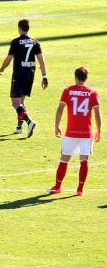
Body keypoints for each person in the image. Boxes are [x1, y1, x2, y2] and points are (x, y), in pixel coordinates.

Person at [49, 67, 101, 196]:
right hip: (86, 133)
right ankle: (80, 189)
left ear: (75, 77)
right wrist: (99, 130)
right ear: (86, 78)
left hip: (71, 132)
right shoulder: (92, 92)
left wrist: (57, 126)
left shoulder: (68, 91)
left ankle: (57, 187)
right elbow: (97, 114)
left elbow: (60, 109)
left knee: (64, 159)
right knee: (84, 160)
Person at [0, 19, 48, 136]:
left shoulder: (15, 42)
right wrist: (45, 77)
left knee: (15, 103)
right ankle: (19, 127)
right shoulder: (35, 42)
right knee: (21, 101)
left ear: (19, 28)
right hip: (30, 75)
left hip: (19, 75)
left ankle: (29, 122)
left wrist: (2, 68)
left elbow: (9, 58)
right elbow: (41, 61)